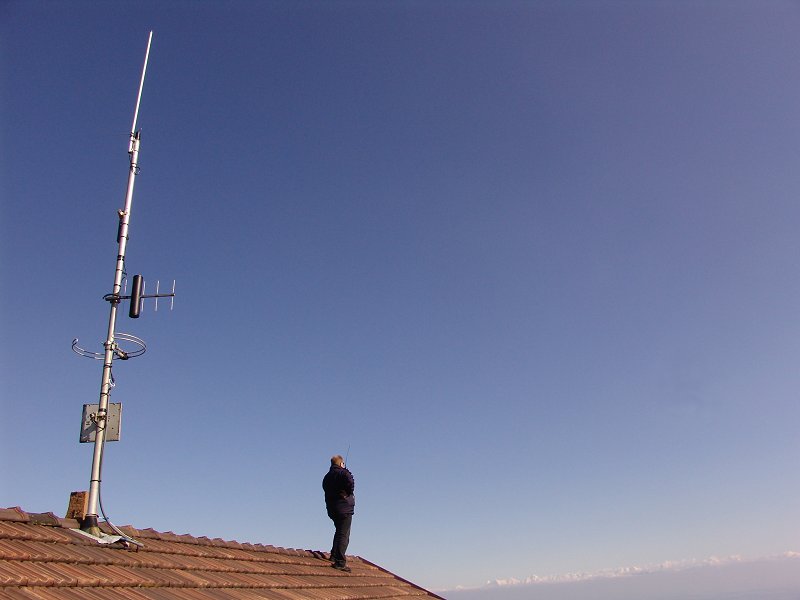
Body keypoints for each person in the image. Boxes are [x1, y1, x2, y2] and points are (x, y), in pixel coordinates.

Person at [322, 454, 355, 572]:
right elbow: (350, 482)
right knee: (343, 535)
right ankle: (340, 562)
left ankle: (334, 555)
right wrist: (348, 493)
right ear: (341, 464)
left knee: (339, 531)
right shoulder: (343, 473)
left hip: (332, 509)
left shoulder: (326, 477)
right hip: (344, 509)